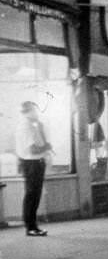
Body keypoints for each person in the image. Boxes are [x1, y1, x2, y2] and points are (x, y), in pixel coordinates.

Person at [16, 101, 52, 237]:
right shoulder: (26, 127)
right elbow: (33, 148)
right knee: (32, 195)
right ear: (29, 111)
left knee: (33, 195)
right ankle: (31, 227)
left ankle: (33, 226)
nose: (38, 113)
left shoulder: (31, 125)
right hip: (32, 163)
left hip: (35, 163)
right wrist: (46, 147)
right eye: (36, 111)